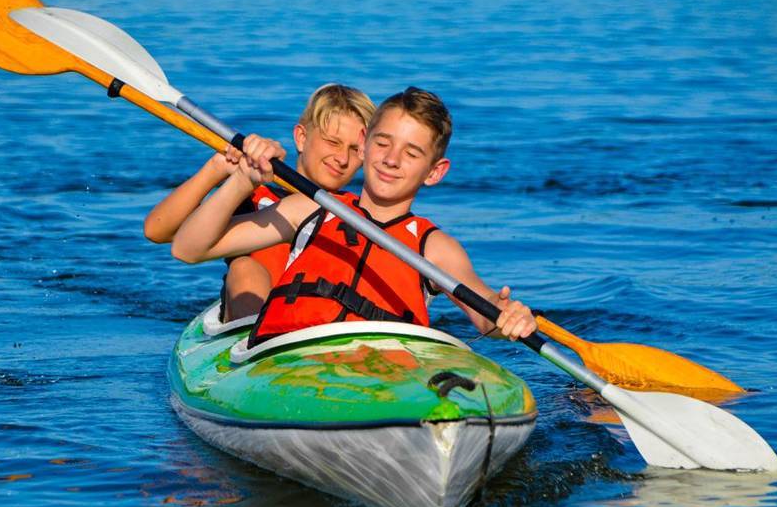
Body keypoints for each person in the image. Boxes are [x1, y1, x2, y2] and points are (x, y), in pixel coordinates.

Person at [172, 87, 537, 343]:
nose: (391, 159)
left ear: (435, 172)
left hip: (383, 377)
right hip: (289, 365)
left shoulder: (435, 248)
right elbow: (188, 249)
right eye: (383, 143)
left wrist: (506, 315)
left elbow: (485, 315)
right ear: (364, 146)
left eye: (411, 153)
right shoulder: (310, 209)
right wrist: (242, 181)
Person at [144, 83, 375, 321]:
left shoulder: (358, 214)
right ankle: (257, 335)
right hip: (250, 326)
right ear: (301, 138)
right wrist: (217, 168)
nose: (342, 158)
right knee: (245, 268)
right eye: (333, 142)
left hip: (317, 321)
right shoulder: (255, 194)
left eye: (355, 149)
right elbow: (158, 231)